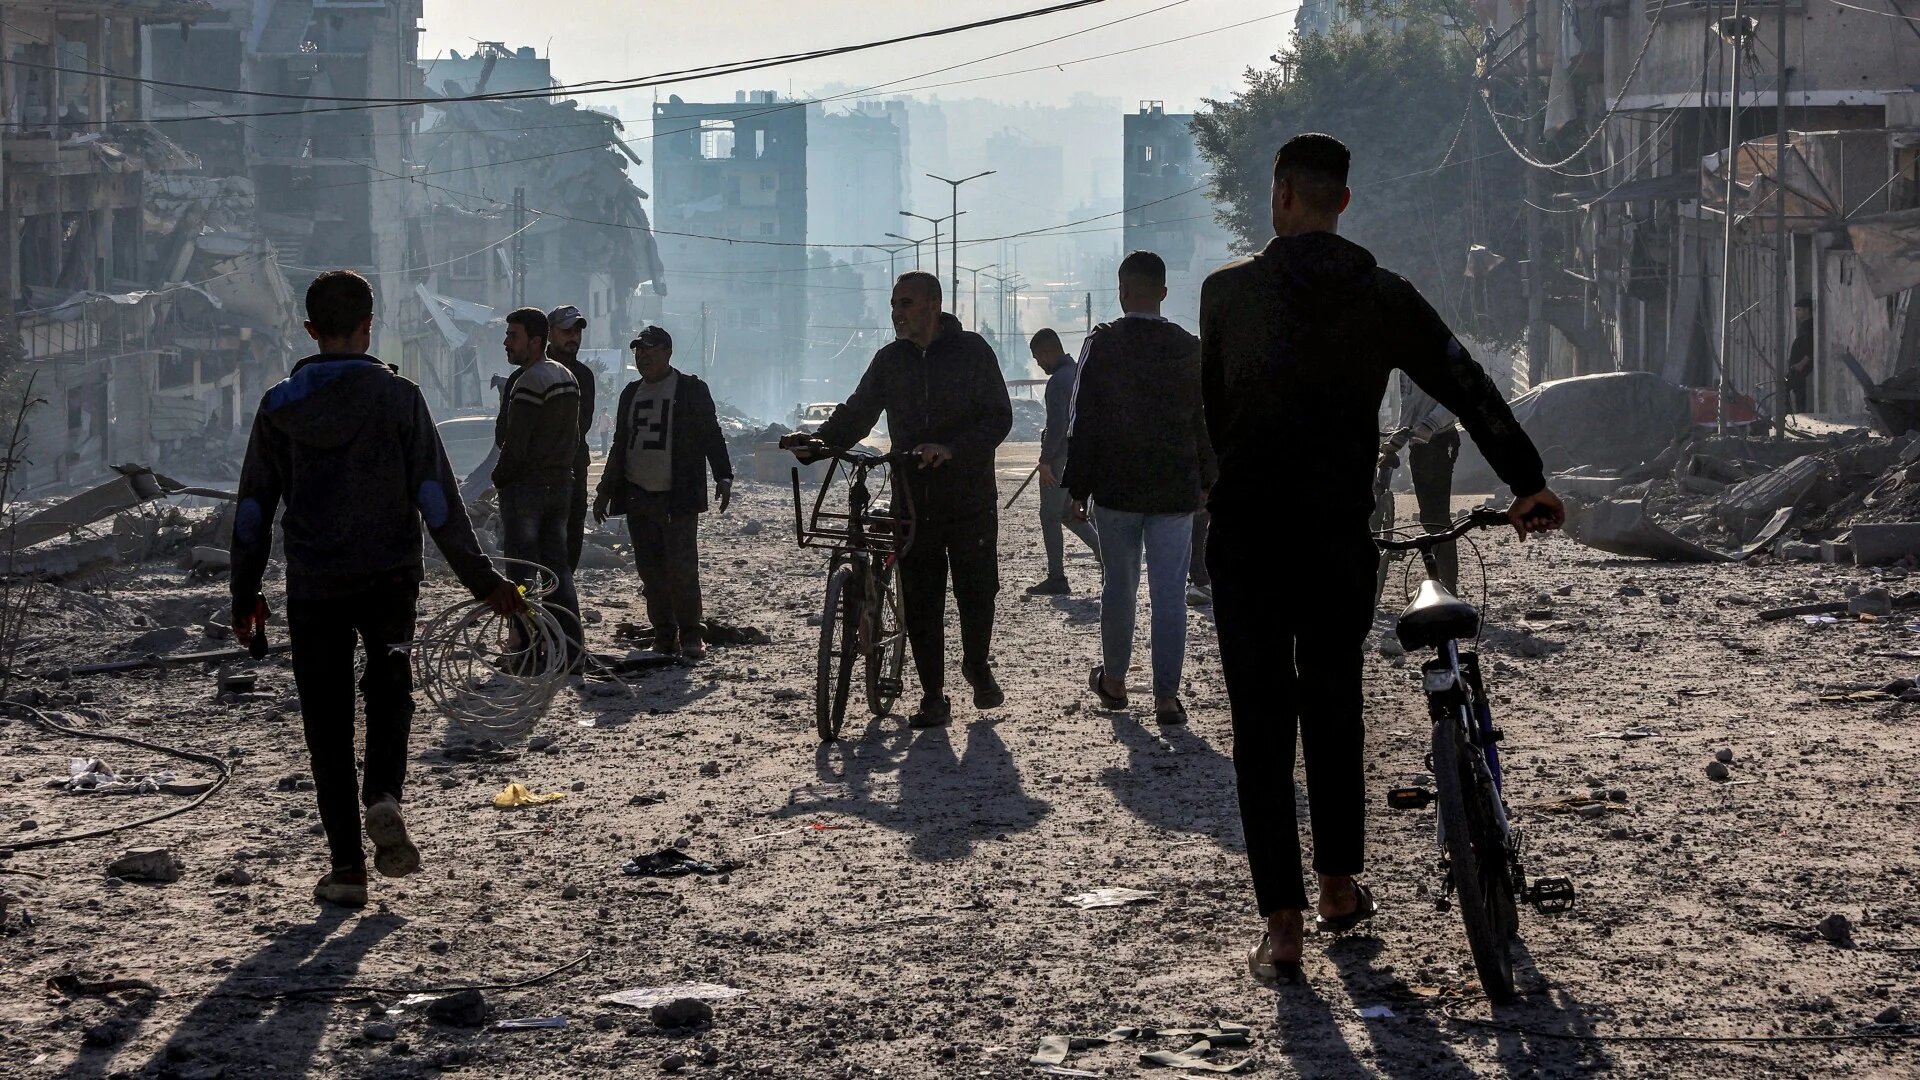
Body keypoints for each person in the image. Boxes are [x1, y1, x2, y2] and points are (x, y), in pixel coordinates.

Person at [1199, 133, 1564, 984]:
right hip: (1336, 536)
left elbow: (1212, 411)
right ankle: (1336, 888)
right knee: (1333, 705)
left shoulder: (1225, 295)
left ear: (1282, 195)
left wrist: (1238, 482)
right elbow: (1465, 381)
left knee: (1260, 727)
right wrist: (1527, 482)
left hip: (1249, 534)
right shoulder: (1383, 296)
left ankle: (1281, 929)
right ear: (1345, 202)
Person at [231, 270, 521, 908]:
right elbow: (436, 499)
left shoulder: (280, 405)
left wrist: (244, 592)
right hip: (390, 576)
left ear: (310, 330)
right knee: (391, 691)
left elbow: (254, 507)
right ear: (370, 325)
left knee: (327, 724)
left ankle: (347, 870)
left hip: (314, 584)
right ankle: (384, 795)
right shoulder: (400, 398)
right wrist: (483, 582)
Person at [784, 271, 1013, 728]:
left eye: (906, 303)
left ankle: (977, 665)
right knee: (923, 598)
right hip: (912, 497)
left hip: (968, 497)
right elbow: (858, 413)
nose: (897, 313)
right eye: (894, 304)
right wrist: (818, 443)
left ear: (934, 304)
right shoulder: (890, 360)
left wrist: (951, 449)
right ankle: (932, 695)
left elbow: (998, 418)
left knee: (976, 589)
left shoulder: (972, 353)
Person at [1064, 250, 1215, 725]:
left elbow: (1081, 417)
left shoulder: (1102, 344)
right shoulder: (1189, 346)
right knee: (1169, 592)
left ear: (1122, 290)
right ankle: (1166, 696)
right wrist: (1208, 480)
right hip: (1174, 489)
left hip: (1117, 487)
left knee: (1120, 586)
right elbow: (1204, 419)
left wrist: (1078, 484)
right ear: (1164, 293)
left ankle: (1114, 680)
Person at [594, 325, 734, 661]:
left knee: (682, 568)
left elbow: (711, 434)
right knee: (650, 570)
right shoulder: (631, 393)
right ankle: (663, 634)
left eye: (650, 351)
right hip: (639, 495)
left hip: (677, 495)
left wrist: (723, 475)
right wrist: (604, 490)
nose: (642, 357)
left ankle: (691, 635)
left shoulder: (689, 390)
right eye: (638, 352)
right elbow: (619, 445)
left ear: (667, 353)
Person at [494, 306, 583, 658]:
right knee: (556, 571)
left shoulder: (529, 381)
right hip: (561, 485)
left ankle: (527, 648)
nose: (506, 343)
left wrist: (499, 478)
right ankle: (569, 649)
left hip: (527, 489)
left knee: (522, 573)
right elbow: (574, 438)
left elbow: (516, 444)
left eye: (513, 337)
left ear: (535, 341)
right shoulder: (565, 375)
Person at [1025, 327, 1100, 595]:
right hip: (1079, 458)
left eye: (1038, 358)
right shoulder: (1079, 372)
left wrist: (1045, 461)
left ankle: (1057, 577)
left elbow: (1057, 425)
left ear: (1047, 351)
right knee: (1070, 514)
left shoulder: (1058, 381)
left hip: (1059, 459)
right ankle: (1105, 556)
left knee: (1049, 516)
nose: (1038, 364)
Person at [1384, 373, 1462, 591]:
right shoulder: (1405, 370)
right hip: (1420, 443)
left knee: (1437, 516)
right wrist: (1397, 439)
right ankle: (1438, 578)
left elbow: (1453, 400)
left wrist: (1429, 425)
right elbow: (1409, 403)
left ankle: (1448, 583)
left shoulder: (1438, 355)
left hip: (1440, 439)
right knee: (1428, 516)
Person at [544, 304, 598, 572]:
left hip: (573, 469)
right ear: (550, 333)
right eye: (566, 330)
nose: (573, 336)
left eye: (576, 330)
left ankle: (561, 599)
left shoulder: (584, 376)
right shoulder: (530, 373)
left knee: (571, 538)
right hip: (537, 474)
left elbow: (582, 423)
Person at [1785, 296, 1814, 414]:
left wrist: (1801, 364)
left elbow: (1810, 348)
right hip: (1797, 366)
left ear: (1807, 310)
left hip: (1800, 366)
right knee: (1796, 391)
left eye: (1799, 310)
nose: (1796, 313)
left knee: (1789, 389)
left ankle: (1793, 416)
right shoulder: (1804, 325)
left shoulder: (1808, 326)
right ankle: (1795, 415)